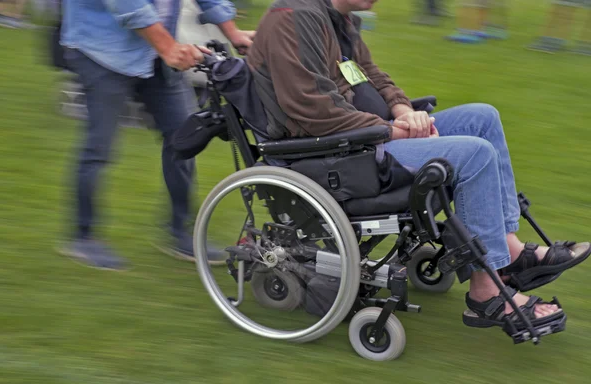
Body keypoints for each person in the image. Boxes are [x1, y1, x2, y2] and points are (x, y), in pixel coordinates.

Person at [247, 0, 591, 331]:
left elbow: (370, 75)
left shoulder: (340, 18)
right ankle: (486, 293)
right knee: (476, 154)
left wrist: (401, 110)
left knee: (482, 118)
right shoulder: (293, 17)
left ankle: (509, 250)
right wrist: (393, 131)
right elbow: (311, 109)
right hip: (339, 155)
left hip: (369, 137)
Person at [57, 0, 255, 270]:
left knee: (184, 137)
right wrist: (168, 47)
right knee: (99, 147)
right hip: (102, 52)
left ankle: (179, 232)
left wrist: (233, 33)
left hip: (156, 53)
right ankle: (83, 237)